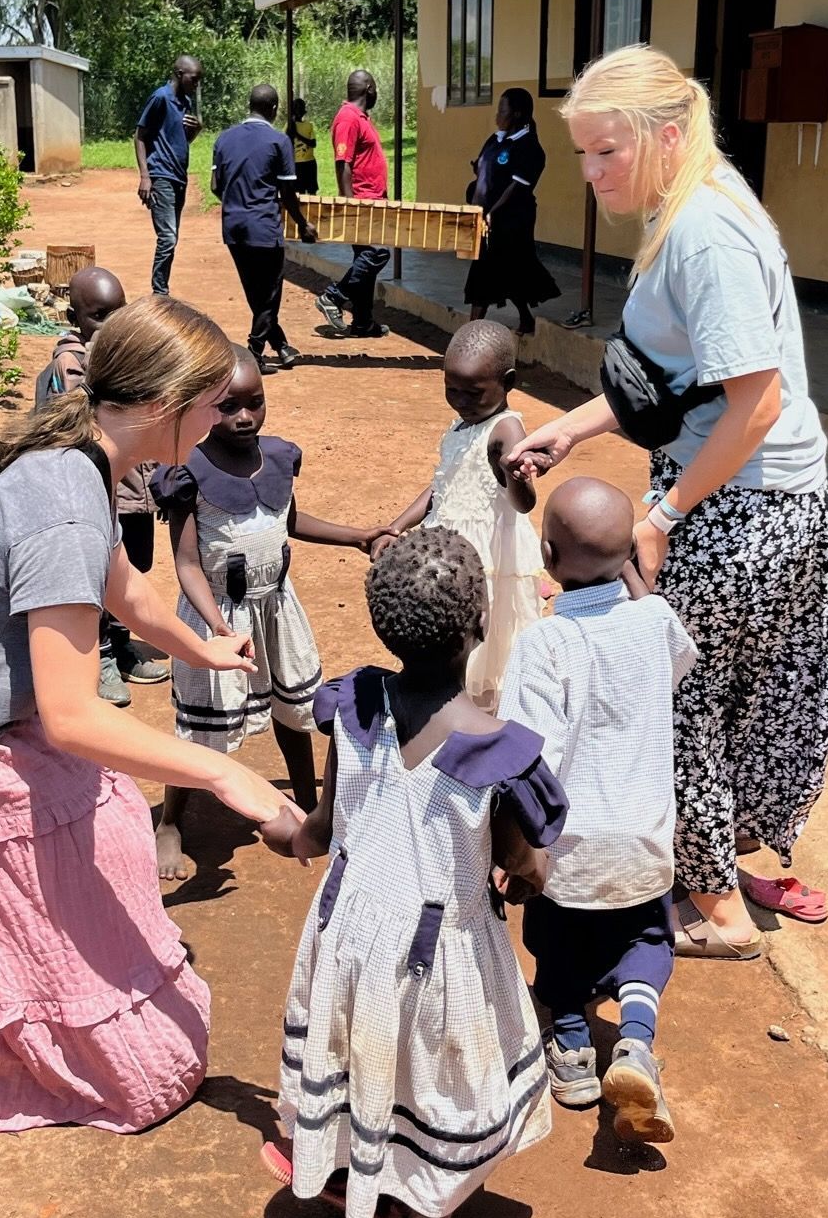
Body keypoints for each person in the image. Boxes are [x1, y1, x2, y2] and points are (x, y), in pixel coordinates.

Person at [0, 297, 291, 1143]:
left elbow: (127, 591)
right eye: (211, 401)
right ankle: (9, 1025)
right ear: (160, 404)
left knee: (99, 815)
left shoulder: (87, 458)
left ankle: (39, 986)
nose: (222, 418)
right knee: (92, 808)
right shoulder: (68, 493)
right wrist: (222, 769)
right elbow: (70, 716)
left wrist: (207, 645)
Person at [507, 44, 828, 957]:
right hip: (759, 498)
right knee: (738, 694)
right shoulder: (693, 207)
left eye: (605, 151)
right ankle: (721, 861)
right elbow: (681, 383)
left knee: (675, 697)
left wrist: (661, 516)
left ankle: (717, 908)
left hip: (743, 506)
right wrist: (573, 429)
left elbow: (756, 405)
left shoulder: (704, 232)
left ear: (666, 132)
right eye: (581, 154)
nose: (591, 172)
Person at [259, 527, 565, 1218]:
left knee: (365, 1054)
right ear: (479, 627)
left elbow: (323, 826)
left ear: (383, 625)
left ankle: (339, 1159)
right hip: (438, 953)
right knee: (453, 1097)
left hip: (347, 927)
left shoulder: (351, 706)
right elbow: (525, 866)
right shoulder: (496, 751)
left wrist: (287, 833)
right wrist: (521, 870)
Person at [499, 477, 697, 1141]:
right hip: (646, 843)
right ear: (629, 559)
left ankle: (575, 1051)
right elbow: (676, 657)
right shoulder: (656, 622)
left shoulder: (542, 643)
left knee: (558, 951)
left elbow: (525, 755)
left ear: (548, 555)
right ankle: (636, 1040)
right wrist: (637, 578)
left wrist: (513, 846)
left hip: (568, 850)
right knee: (646, 941)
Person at [149, 348, 388, 883]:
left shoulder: (278, 457)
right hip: (220, 616)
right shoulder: (187, 470)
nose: (245, 417)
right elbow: (187, 563)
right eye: (228, 406)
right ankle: (171, 821)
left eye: (255, 403)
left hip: (277, 607)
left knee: (293, 711)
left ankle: (309, 805)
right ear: (203, 408)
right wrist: (216, 628)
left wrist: (356, 536)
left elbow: (286, 518)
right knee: (202, 724)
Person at [376, 320, 542, 705]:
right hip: (450, 551)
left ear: (508, 382)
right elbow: (442, 484)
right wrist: (397, 525)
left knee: (485, 647)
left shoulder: (506, 431)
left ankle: (478, 720)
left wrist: (515, 474)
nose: (461, 401)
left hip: (487, 561)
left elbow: (524, 503)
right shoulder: (461, 426)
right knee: (446, 635)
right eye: (452, 390)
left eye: (473, 393)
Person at [35, 265, 166, 705]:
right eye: (99, 316)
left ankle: (122, 644)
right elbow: (73, 430)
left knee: (134, 569)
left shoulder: (131, 356)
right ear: (75, 318)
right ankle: (102, 656)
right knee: (100, 576)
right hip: (99, 494)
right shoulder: (70, 365)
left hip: (135, 493)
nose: (110, 325)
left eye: (118, 313)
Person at [210, 83, 318, 374]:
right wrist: (303, 224)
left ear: (250, 105)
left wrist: (238, 203)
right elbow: (287, 192)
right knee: (269, 294)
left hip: (233, 228)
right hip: (264, 228)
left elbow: (216, 186)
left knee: (256, 294)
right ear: (274, 109)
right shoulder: (278, 141)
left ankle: (281, 345)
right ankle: (254, 352)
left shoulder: (223, 139)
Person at [464, 87, 560, 337]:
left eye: (502, 110)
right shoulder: (496, 140)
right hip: (486, 217)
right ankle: (526, 319)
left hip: (511, 219)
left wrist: (492, 212)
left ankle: (469, 335)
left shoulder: (529, 149)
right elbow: (490, 174)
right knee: (510, 271)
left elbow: (516, 188)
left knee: (484, 273)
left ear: (517, 114)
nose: (497, 115)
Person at [315, 70, 389, 339]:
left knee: (364, 259)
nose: (377, 93)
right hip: (361, 200)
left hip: (373, 199)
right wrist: (349, 203)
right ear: (369, 88)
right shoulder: (347, 118)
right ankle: (333, 296)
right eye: (376, 88)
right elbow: (342, 162)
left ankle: (363, 322)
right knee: (377, 253)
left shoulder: (361, 118)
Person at [135, 55, 202, 296]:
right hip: (160, 175)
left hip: (178, 177)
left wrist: (194, 132)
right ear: (179, 74)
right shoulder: (160, 97)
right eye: (194, 79)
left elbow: (181, 140)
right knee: (167, 237)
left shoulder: (185, 102)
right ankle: (159, 292)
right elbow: (140, 136)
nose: (196, 85)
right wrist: (145, 176)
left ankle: (162, 290)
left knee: (171, 240)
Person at [286, 96, 319, 195]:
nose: (298, 111)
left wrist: (297, 135)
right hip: (296, 163)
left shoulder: (308, 125)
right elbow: (287, 143)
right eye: (296, 108)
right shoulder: (289, 126)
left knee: (312, 191)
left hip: (309, 162)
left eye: (300, 108)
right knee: (299, 192)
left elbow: (313, 143)